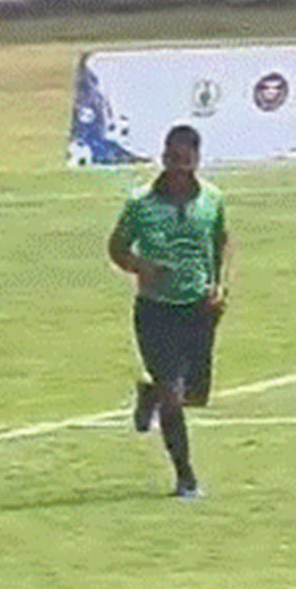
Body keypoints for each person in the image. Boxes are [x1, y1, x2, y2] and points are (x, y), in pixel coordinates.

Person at [108, 124, 234, 500]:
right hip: (156, 310)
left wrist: (220, 285)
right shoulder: (140, 203)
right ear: (163, 157)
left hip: (198, 308)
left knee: (195, 393)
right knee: (174, 396)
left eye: (185, 160)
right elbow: (116, 247)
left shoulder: (212, 199)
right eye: (171, 159)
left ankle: (149, 394)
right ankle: (185, 477)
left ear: (196, 159)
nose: (177, 168)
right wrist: (140, 266)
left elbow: (221, 243)